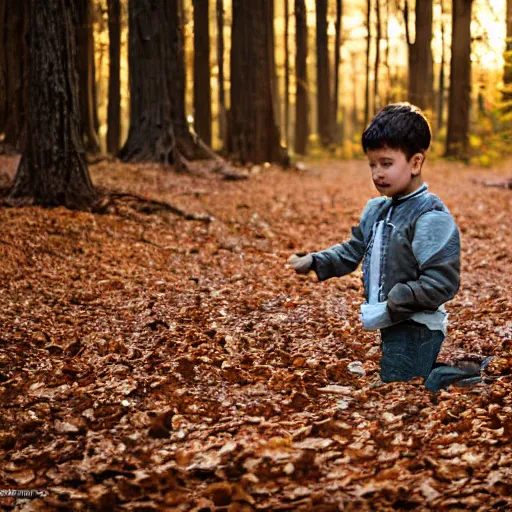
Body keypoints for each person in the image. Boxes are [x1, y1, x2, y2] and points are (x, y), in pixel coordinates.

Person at [288, 103, 461, 385]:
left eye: (387, 164)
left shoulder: (430, 216)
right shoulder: (376, 210)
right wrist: (317, 261)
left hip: (417, 324)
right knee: (400, 378)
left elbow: (443, 282)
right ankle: (433, 372)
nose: (377, 173)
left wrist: (394, 303)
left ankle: (466, 376)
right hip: (390, 320)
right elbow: (353, 249)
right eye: (372, 164)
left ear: (416, 163)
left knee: (401, 387)